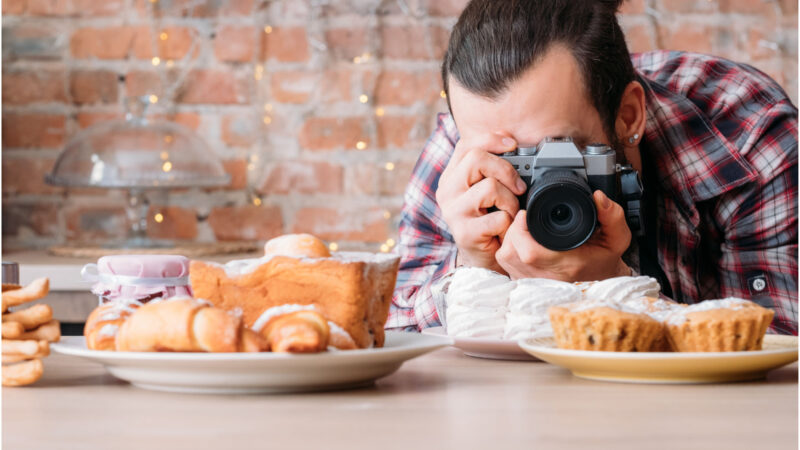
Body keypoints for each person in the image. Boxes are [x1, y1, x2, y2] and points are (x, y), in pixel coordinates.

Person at [388, 0, 798, 334]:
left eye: (556, 149)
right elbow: (389, 331)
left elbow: (782, 349)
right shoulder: (463, 151)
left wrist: (611, 290)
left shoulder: (745, 130)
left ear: (628, 116)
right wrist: (470, 271)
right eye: (509, 161)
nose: (534, 178)